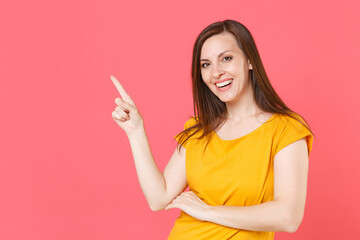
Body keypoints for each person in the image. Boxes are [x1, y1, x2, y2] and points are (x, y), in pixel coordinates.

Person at [111, 19, 313, 240]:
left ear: (249, 61)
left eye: (226, 59)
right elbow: (158, 198)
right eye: (205, 64)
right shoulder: (198, 131)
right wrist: (136, 132)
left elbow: (288, 217)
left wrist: (208, 212)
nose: (216, 72)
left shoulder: (286, 129)